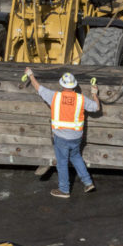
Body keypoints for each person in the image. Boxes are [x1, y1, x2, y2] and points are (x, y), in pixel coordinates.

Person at [25, 67, 100, 198]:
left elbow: (38, 87)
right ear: (74, 85)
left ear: (62, 84)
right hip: (76, 136)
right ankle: (88, 182)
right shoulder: (81, 99)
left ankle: (64, 190)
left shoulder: (55, 96)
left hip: (61, 137)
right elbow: (96, 107)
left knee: (62, 163)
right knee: (76, 157)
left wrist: (30, 75)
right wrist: (94, 93)